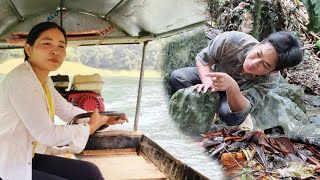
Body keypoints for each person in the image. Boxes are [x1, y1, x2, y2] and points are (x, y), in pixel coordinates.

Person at [0, 22, 128, 180]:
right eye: (46, 43)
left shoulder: (44, 80)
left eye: (61, 46)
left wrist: (105, 119)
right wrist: (89, 127)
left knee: (89, 172)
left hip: (30, 155)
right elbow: (47, 134)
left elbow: (68, 111)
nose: (55, 51)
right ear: (28, 49)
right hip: (11, 163)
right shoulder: (21, 81)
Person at [169, 31, 303, 126]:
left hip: (234, 95)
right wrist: (207, 83)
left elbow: (244, 108)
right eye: (258, 53)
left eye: (265, 65)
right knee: (177, 77)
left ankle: (216, 107)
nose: (253, 63)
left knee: (232, 117)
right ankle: (209, 104)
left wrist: (232, 86)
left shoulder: (270, 79)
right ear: (259, 44)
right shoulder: (232, 40)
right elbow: (203, 60)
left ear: (274, 70)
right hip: (212, 76)